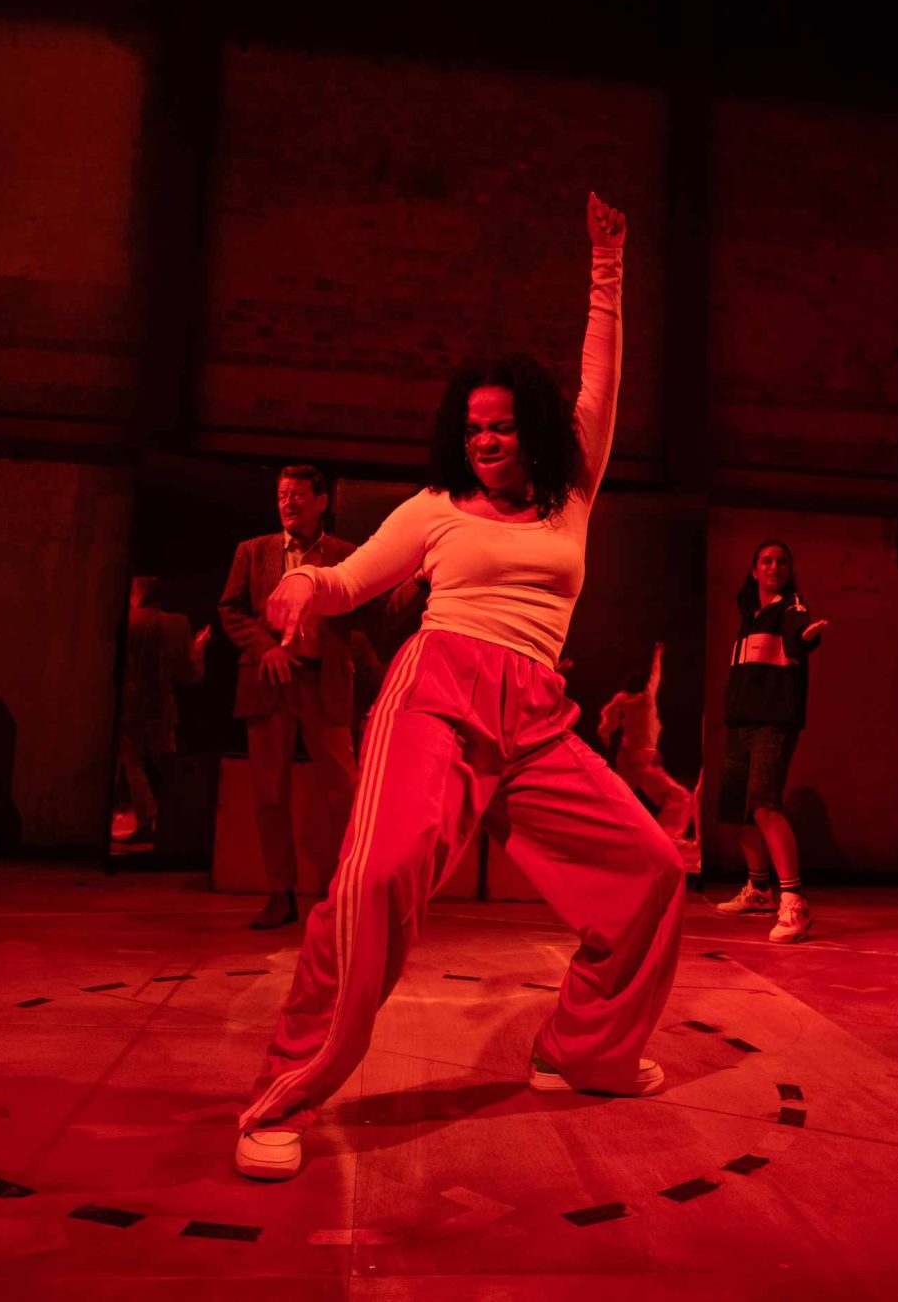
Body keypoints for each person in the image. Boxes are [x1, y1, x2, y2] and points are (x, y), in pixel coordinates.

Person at [234, 193, 683, 1184]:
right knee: (375, 877)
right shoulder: (435, 509)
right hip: (436, 694)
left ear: (531, 430)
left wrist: (606, 264)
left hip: (536, 715)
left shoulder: (571, 494)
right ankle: (285, 1091)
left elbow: (602, 383)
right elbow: (349, 579)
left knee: (650, 866)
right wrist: (302, 586)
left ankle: (583, 1049)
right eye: (470, 426)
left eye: (500, 424)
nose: (484, 438)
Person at [218, 466, 374, 929]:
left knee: (346, 793)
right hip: (269, 684)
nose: (288, 503)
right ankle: (279, 892)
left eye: (299, 495)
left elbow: (372, 611)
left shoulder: (346, 555)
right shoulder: (253, 551)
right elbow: (230, 610)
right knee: (270, 794)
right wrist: (265, 648)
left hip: (324, 683)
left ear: (321, 501)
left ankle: (345, 893)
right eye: (283, 495)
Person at [712, 540, 827, 943]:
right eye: (767, 561)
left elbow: (800, 633)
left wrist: (809, 637)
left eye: (781, 561)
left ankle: (794, 902)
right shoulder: (751, 612)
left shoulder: (792, 607)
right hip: (740, 724)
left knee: (764, 806)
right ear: (755, 568)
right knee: (738, 811)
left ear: (789, 570)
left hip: (772, 724)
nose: (774, 566)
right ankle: (759, 890)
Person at [112, 577, 208, 849]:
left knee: (132, 760)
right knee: (167, 766)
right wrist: (199, 647)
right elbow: (189, 674)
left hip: (130, 705)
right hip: (163, 707)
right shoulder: (177, 623)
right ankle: (171, 823)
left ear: (137, 595)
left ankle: (149, 818)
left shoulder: (129, 622)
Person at [597, 642, 699, 853]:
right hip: (643, 758)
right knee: (680, 797)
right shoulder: (647, 698)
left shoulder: (622, 700)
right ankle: (665, 837)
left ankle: (606, 834)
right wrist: (658, 654)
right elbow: (656, 676)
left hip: (627, 756)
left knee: (617, 798)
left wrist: (606, 736)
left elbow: (606, 722)